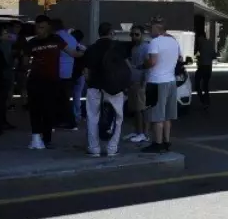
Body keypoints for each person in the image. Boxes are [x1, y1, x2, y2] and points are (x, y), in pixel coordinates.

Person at [22, 15, 81, 149]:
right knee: (35, 110)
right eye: (37, 27)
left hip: (52, 81)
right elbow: (24, 63)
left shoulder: (56, 39)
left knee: (48, 110)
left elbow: (72, 53)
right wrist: (31, 65)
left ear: (48, 28)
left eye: (42, 27)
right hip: (35, 81)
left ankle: (47, 139)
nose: (39, 30)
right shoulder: (31, 43)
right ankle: (36, 137)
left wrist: (85, 53)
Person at [82, 22, 130, 157]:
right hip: (115, 88)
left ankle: (94, 148)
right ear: (111, 33)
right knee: (117, 117)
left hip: (95, 87)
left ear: (99, 33)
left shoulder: (91, 49)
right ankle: (112, 148)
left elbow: (86, 71)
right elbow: (127, 68)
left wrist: (90, 82)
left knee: (92, 117)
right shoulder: (118, 48)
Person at [141, 16, 182, 153]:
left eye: (150, 28)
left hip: (157, 81)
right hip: (171, 81)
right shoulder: (174, 42)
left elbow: (152, 62)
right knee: (167, 116)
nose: (148, 30)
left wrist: (144, 64)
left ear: (157, 28)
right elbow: (180, 59)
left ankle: (157, 144)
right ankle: (166, 141)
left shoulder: (155, 42)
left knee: (157, 115)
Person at [125, 25, 150, 145]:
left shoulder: (146, 47)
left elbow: (148, 66)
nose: (134, 37)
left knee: (141, 109)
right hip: (133, 81)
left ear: (142, 34)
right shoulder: (134, 48)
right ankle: (137, 131)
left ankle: (143, 134)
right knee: (135, 108)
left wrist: (144, 82)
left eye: (137, 34)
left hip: (141, 82)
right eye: (132, 34)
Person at [194, 29, 216, 108]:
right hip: (208, 68)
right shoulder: (210, 43)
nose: (197, 39)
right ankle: (207, 101)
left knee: (197, 84)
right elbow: (214, 55)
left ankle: (204, 100)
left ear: (201, 37)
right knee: (205, 85)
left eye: (198, 38)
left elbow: (197, 54)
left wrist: (200, 57)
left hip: (202, 67)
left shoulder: (201, 44)